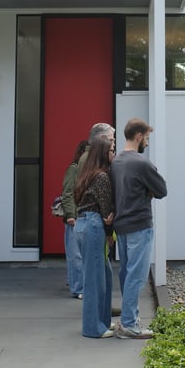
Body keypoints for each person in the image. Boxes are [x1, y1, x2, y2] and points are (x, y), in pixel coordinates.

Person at [110, 118, 167, 339]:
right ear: (139, 136)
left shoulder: (116, 161)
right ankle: (129, 326)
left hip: (121, 226)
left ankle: (129, 319)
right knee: (137, 276)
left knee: (127, 274)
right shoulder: (142, 163)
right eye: (147, 138)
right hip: (139, 225)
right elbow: (162, 190)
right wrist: (148, 191)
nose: (148, 143)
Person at [73, 135, 116, 338]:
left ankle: (103, 321)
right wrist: (110, 233)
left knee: (103, 275)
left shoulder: (87, 174)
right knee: (94, 279)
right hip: (93, 225)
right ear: (103, 153)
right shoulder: (102, 177)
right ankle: (93, 328)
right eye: (112, 150)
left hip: (83, 224)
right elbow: (106, 210)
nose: (114, 154)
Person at [61, 139, 89, 299]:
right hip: (75, 218)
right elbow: (67, 193)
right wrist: (71, 215)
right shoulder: (74, 169)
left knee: (79, 255)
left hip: (82, 217)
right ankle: (78, 288)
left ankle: (78, 285)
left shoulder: (85, 171)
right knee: (75, 255)